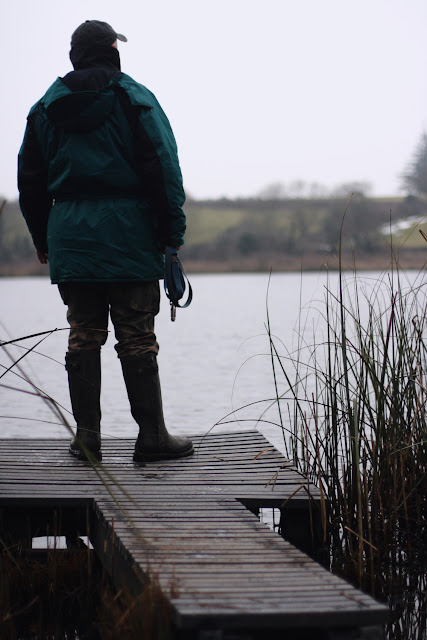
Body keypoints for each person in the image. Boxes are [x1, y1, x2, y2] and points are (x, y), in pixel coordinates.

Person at [17, 20, 194, 463]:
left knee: (83, 334)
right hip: (130, 235)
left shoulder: (44, 108)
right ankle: (152, 438)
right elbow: (164, 167)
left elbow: (30, 182)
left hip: (71, 236)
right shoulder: (135, 98)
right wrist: (172, 234)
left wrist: (43, 238)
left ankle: (87, 440)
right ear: (113, 50)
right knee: (136, 337)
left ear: (76, 54)